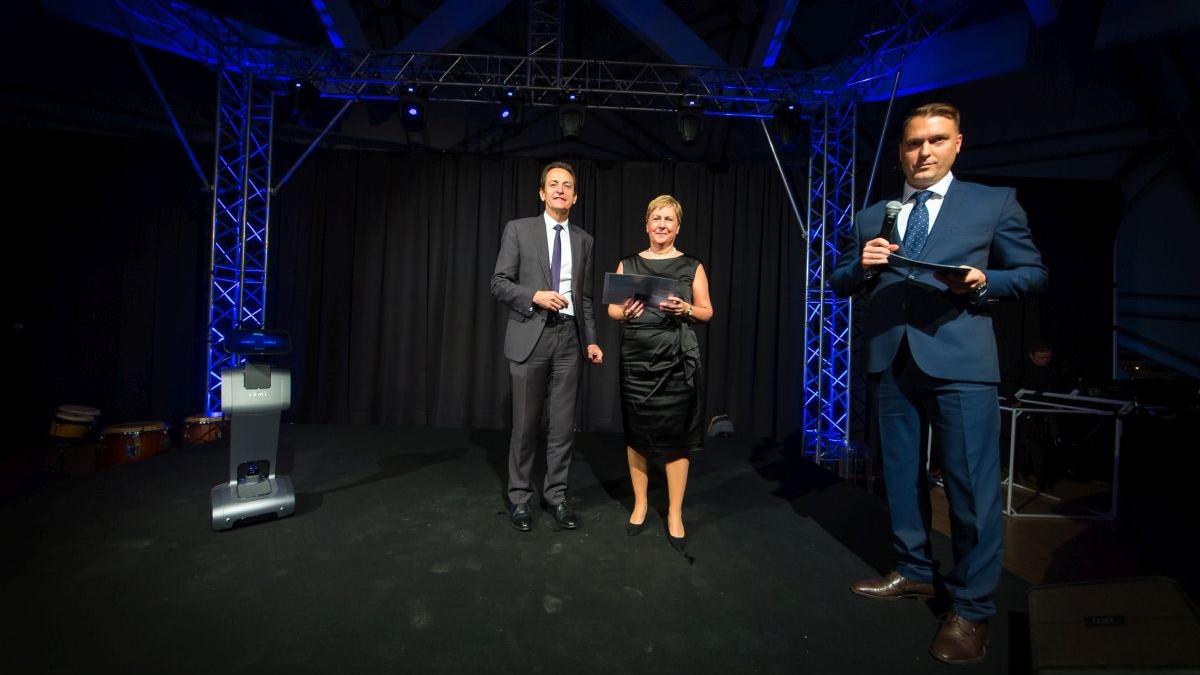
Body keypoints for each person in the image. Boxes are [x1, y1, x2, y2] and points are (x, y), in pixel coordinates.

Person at [830, 103, 1047, 665]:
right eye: (913, 143)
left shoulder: (993, 202)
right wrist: (864, 265)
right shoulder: (873, 215)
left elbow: (1033, 274)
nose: (923, 152)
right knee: (900, 477)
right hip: (891, 359)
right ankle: (915, 570)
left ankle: (972, 608)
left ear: (957, 144)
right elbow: (840, 279)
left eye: (936, 140)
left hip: (961, 362)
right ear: (901, 151)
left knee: (971, 489)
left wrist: (983, 280)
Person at [490, 161, 604, 532]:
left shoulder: (584, 240)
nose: (560, 190)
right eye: (553, 184)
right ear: (542, 192)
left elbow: (585, 298)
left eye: (567, 185)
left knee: (562, 427)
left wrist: (591, 340)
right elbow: (499, 282)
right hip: (531, 335)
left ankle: (556, 496)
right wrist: (534, 296)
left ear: (575, 196)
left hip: (569, 339)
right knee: (525, 426)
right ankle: (520, 497)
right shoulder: (519, 229)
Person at [607, 195, 713, 552]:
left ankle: (674, 512)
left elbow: (707, 311)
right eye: (656, 218)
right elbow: (613, 311)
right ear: (646, 224)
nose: (662, 225)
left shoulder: (692, 265)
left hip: (676, 360)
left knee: (676, 438)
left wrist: (686, 309)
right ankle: (640, 504)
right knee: (637, 434)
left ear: (678, 227)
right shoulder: (629, 263)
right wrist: (625, 310)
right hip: (637, 360)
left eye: (669, 219)